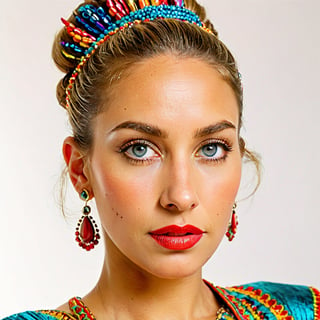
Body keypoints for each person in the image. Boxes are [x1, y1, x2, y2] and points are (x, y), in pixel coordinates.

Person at [3, 0, 319, 319]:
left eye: (211, 149)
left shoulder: (302, 311)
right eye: (139, 149)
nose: (180, 197)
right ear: (80, 170)